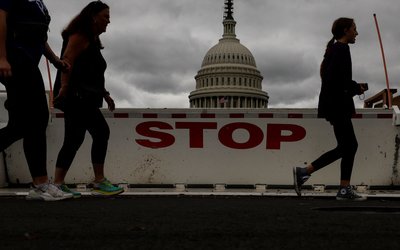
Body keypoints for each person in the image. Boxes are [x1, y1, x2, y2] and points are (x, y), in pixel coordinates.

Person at [0, 0, 72, 201]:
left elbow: (39, 37)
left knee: (21, 126)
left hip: (28, 62)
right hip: (15, 61)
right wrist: (2, 57)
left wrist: (55, 60)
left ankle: (39, 185)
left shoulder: (38, 4)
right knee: (37, 118)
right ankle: (40, 184)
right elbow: (1, 20)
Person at [53, 1, 123, 197]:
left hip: (86, 96)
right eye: (105, 16)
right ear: (93, 16)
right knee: (100, 132)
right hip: (77, 97)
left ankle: (58, 183)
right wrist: (65, 88)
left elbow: (90, 73)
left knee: (74, 139)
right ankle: (98, 181)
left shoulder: (91, 41)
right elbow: (67, 61)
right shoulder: (80, 36)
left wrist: (105, 94)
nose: (109, 21)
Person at [293, 17, 368, 201]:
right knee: (349, 146)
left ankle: (308, 173)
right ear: (345, 31)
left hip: (334, 105)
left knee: (347, 146)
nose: (356, 33)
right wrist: (356, 88)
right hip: (338, 105)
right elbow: (337, 81)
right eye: (354, 29)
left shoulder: (335, 50)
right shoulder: (341, 50)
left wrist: (353, 86)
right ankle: (337, 187)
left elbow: (333, 78)